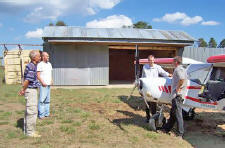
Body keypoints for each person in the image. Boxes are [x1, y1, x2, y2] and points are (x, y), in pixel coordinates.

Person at [142, 55, 172, 122]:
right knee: (147, 103)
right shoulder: (145, 67)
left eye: (152, 60)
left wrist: (169, 75)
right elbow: (143, 77)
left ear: (154, 60)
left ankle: (154, 117)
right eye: (150, 60)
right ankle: (147, 117)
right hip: (147, 87)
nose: (151, 62)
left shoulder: (157, 67)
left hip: (153, 88)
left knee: (153, 103)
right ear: (148, 60)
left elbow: (163, 73)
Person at [162, 56, 187, 138]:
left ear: (176, 62)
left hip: (177, 95)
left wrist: (178, 88)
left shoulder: (178, 69)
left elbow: (182, 79)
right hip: (177, 95)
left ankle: (180, 133)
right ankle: (166, 129)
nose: (172, 63)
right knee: (173, 114)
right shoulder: (183, 69)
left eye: (173, 62)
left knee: (178, 114)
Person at [18, 50, 41, 138]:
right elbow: (27, 80)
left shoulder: (33, 66)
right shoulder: (31, 66)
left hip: (31, 90)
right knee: (32, 111)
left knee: (30, 111)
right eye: (39, 56)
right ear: (34, 57)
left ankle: (28, 130)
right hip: (31, 91)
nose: (40, 57)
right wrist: (23, 90)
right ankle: (30, 132)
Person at [37, 52, 53, 119]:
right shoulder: (40, 64)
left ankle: (47, 113)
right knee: (42, 100)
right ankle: (41, 115)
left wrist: (51, 80)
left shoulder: (49, 64)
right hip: (43, 85)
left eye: (48, 56)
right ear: (43, 57)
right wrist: (42, 82)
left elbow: (50, 73)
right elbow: (38, 75)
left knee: (47, 100)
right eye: (47, 56)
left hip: (48, 84)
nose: (48, 57)